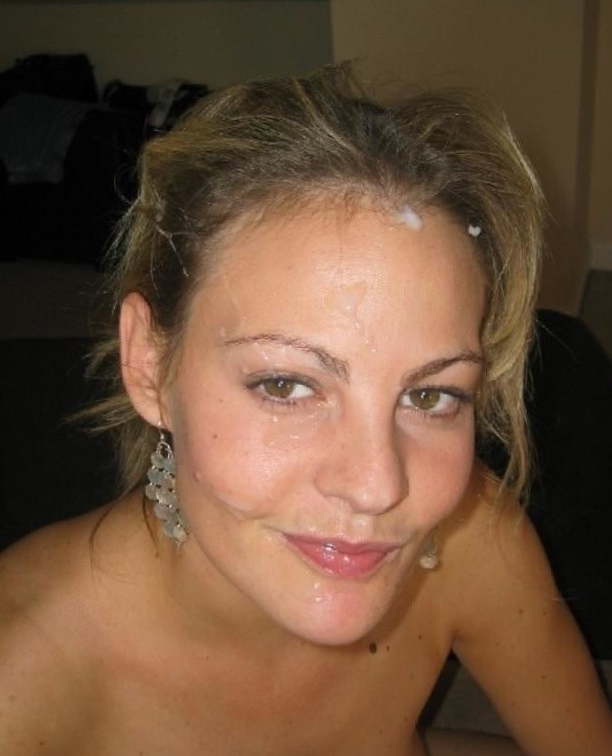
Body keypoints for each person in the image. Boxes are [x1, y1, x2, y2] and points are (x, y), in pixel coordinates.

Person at [1, 64, 610, 755]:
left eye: (430, 395)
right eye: (287, 385)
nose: (378, 487)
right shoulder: (23, 672)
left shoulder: (471, 541)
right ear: (148, 362)